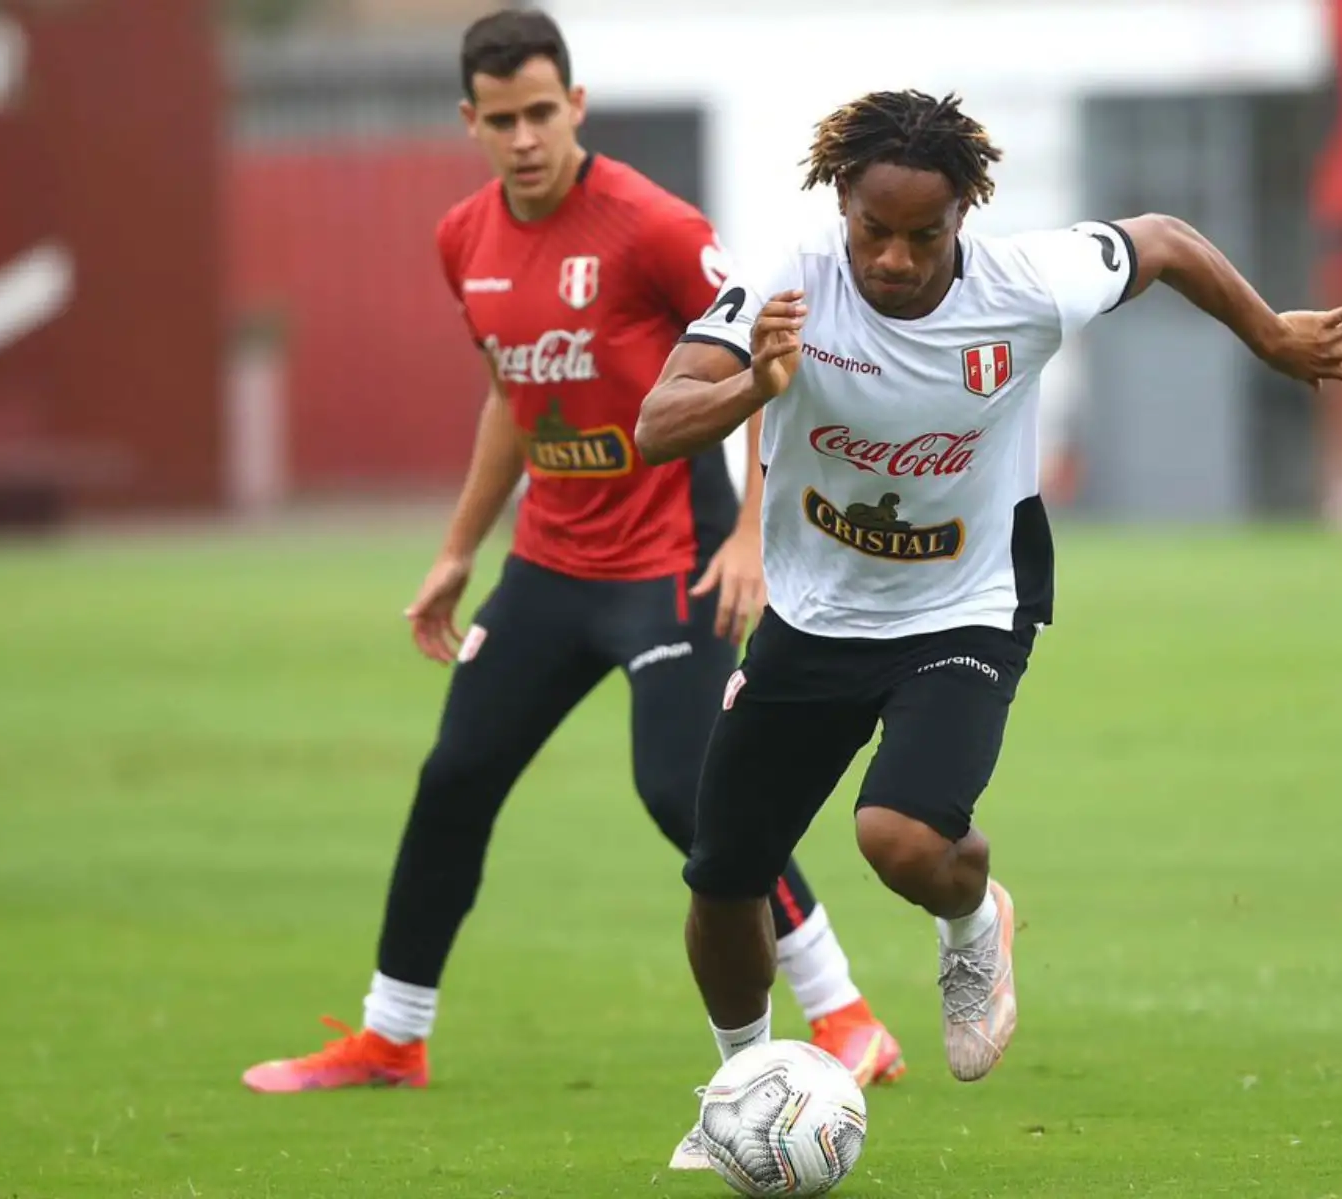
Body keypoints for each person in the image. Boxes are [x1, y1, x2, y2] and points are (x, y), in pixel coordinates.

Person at [635, 89, 1342, 1114]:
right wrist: (752, 387)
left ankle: (970, 919)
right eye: (875, 232)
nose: (896, 259)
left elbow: (1163, 241)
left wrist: (1267, 335)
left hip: (967, 604)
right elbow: (658, 420)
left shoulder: (1028, 285)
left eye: (924, 234)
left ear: (964, 217)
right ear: (841, 204)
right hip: (814, 616)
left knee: (898, 838)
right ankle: (741, 1084)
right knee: (723, 873)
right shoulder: (789, 288)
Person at [241, 10, 904, 1112]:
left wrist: (748, 533)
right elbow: (514, 394)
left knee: (678, 790)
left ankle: (845, 1016)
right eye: (501, 120)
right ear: (471, 123)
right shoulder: (464, 237)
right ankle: (391, 1035)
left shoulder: (652, 227)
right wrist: (459, 550)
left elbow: (759, 359)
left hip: (673, 555)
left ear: (576, 106)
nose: (526, 137)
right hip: (550, 561)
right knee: (454, 777)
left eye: (543, 112)